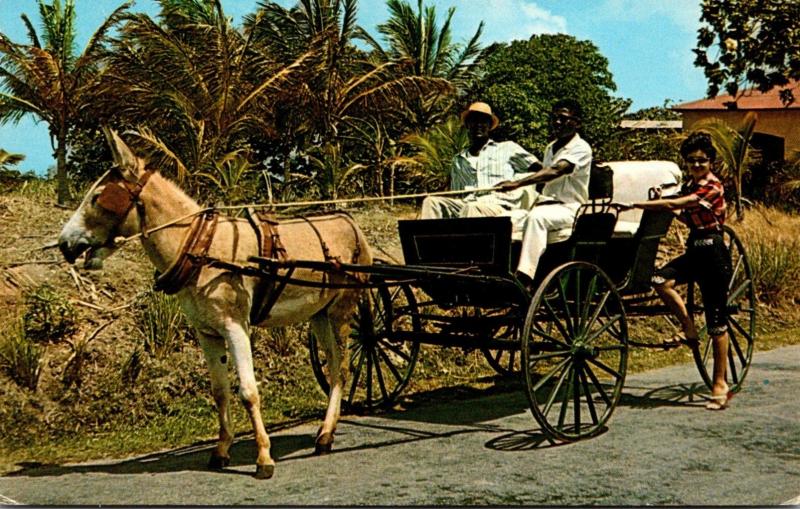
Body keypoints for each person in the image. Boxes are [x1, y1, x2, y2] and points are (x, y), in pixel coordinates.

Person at [626, 132, 733, 410]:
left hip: (714, 252)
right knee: (660, 280)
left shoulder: (713, 187)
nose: (697, 165)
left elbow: (676, 205)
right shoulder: (689, 184)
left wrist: (638, 204)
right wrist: (659, 197)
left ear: (711, 162)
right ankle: (688, 328)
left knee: (717, 323)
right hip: (695, 249)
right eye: (691, 161)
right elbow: (675, 205)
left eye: (702, 160)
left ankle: (720, 383)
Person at [495, 98, 592, 281]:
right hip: (544, 205)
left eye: (563, 119)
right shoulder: (551, 147)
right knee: (505, 220)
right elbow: (543, 176)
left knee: (536, 218)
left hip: (570, 209)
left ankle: (525, 275)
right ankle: (500, 272)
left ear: (577, 123)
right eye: (555, 118)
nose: (557, 123)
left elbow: (556, 171)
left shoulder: (581, 148)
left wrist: (517, 184)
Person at [420, 102, 540, 231]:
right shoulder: (458, 160)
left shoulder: (508, 148)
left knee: (472, 208)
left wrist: (517, 183)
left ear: (489, 126)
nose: (478, 125)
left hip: (497, 205)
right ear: (467, 125)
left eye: (483, 121)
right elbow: (457, 195)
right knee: (431, 202)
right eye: (474, 121)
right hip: (466, 205)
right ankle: (428, 247)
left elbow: (541, 170)